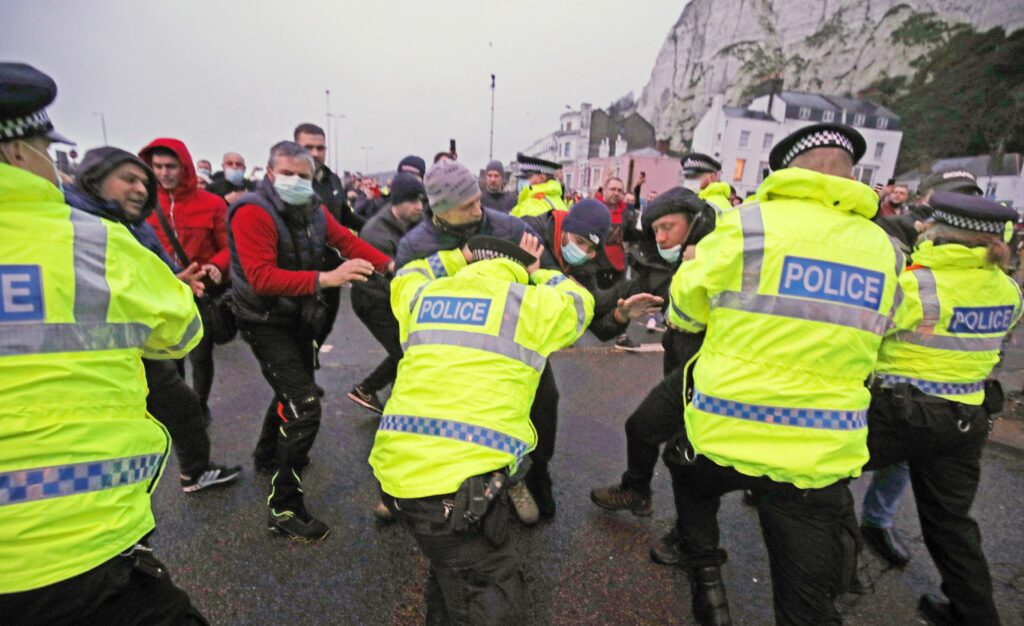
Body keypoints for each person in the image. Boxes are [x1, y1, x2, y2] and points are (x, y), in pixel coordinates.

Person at [663, 123, 902, 624]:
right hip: (819, 449)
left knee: (686, 473)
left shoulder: (746, 226)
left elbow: (686, 308)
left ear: (787, 170)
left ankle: (708, 589)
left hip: (726, 431)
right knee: (806, 603)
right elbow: (887, 333)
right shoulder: (884, 248)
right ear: (850, 173)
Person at [0, 62, 207, 623]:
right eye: (46, 146)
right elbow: (181, 331)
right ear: (18, 152)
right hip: (70, 545)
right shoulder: (91, 241)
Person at [371, 233, 594, 624]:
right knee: (489, 589)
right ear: (521, 271)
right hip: (454, 489)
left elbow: (408, 273)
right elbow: (580, 302)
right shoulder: (528, 304)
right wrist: (541, 274)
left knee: (451, 574)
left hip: (398, 474)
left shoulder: (425, 297)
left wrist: (458, 255)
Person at [865, 192, 1020, 625]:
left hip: (899, 412)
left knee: (826, 481)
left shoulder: (916, 283)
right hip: (966, 418)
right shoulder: (1009, 290)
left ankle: (834, 585)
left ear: (936, 231)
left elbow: (869, 334)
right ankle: (975, 615)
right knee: (952, 523)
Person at [228, 141, 392, 541]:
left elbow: (346, 242)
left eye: (304, 175)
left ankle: (267, 454)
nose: (296, 181)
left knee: (290, 386)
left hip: (297, 315)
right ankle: (284, 507)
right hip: (263, 318)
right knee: (304, 406)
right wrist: (329, 278)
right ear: (270, 173)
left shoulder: (314, 210)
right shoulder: (252, 212)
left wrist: (390, 265)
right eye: (288, 173)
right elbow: (261, 277)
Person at [65, 146, 241, 493]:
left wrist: (181, 279)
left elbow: (159, 266)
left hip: (139, 343)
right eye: (129, 179)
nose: (143, 188)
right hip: (94, 355)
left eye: (144, 181)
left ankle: (192, 472)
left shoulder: (134, 225)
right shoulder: (73, 227)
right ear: (94, 179)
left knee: (185, 401)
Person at [861, 172, 985, 569]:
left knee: (900, 459)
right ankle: (798, 506)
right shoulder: (892, 229)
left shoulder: (977, 238)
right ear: (925, 197)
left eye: (967, 197)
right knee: (835, 454)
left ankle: (876, 522)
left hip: (938, 376)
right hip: (881, 359)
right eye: (949, 196)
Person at [588, 189, 719, 515]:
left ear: (694, 223)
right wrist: (619, 315)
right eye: (655, 229)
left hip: (719, 371)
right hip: (679, 368)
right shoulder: (656, 268)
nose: (660, 237)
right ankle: (638, 492)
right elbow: (605, 313)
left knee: (690, 457)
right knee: (651, 432)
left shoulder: (727, 257)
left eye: (668, 227)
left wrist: (708, 262)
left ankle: (695, 545)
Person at [140, 137, 230, 424]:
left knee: (201, 356)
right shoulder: (142, 204)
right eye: (158, 166)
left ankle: (199, 406)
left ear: (185, 168)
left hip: (201, 292)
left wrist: (217, 265)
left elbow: (231, 246)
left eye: (171, 166)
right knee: (169, 359)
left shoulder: (212, 204)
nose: (164, 173)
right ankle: (180, 408)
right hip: (160, 295)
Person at [348, 173, 427, 414]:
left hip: (393, 297)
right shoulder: (377, 234)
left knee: (410, 347)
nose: (419, 207)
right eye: (413, 201)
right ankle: (366, 389)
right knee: (406, 350)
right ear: (397, 202)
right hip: (373, 301)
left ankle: (395, 391)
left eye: (421, 201)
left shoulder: (411, 221)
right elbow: (387, 279)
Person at [395, 160, 536, 268]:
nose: (478, 211)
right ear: (441, 211)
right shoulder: (412, 248)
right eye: (467, 206)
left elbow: (550, 278)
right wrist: (459, 259)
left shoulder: (512, 228)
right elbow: (404, 298)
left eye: (478, 200)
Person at [294, 122, 363, 231]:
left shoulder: (333, 180)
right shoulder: (287, 184)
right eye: (308, 148)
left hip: (332, 245)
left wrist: (376, 229)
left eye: (320, 148)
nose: (315, 154)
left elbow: (345, 216)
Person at [510, 153, 567, 218]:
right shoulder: (558, 201)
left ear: (542, 178)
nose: (521, 181)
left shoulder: (529, 207)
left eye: (527, 177)